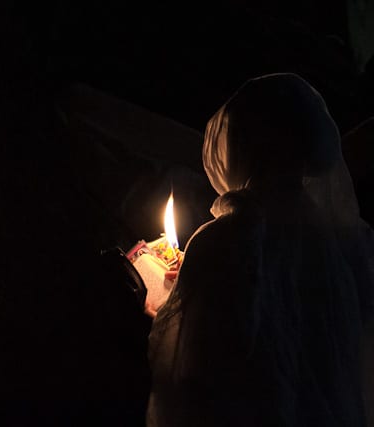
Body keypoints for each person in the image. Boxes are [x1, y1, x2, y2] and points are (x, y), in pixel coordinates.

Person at [145, 73, 374, 427]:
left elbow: (195, 380)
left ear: (231, 150)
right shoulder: (346, 243)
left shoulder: (228, 239)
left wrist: (172, 309)